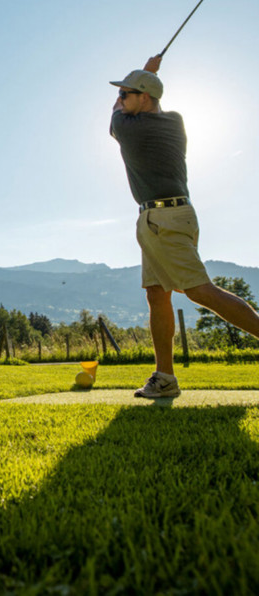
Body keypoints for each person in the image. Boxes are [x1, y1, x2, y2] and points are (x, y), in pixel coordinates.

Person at [110, 55, 259, 397]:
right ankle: (165, 378)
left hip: (163, 220)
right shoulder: (174, 121)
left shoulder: (131, 128)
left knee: (200, 291)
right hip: (169, 216)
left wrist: (147, 71)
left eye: (125, 94)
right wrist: (146, 76)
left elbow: (113, 118)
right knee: (156, 294)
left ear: (143, 97)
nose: (120, 99)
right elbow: (130, 106)